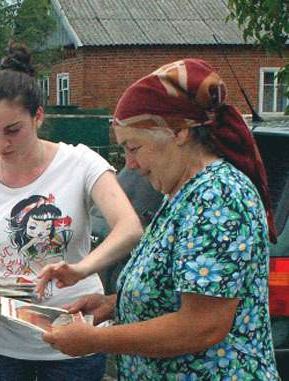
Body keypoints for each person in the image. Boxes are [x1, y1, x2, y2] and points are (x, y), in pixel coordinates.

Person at [39, 59, 280, 380]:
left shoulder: (217, 195)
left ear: (178, 131)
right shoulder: (184, 193)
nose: (131, 165)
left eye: (133, 147)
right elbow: (178, 291)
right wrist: (115, 305)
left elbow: (203, 326)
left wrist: (96, 340)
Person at [0, 43, 143, 381]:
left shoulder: (80, 163)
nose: (1, 144)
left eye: (13, 131)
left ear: (38, 116)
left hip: (75, 342)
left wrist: (80, 269)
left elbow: (130, 228)